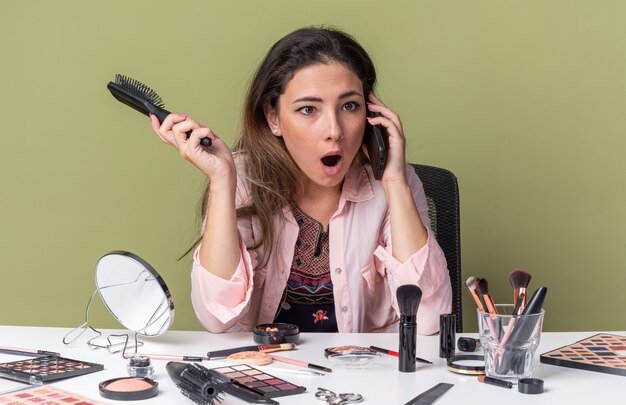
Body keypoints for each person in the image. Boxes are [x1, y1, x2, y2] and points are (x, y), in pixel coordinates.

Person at [149, 26, 452, 334]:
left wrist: (396, 185)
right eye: (308, 109)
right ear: (274, 118)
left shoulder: (394, 182)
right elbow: (217, 317)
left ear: (370, 112)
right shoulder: (243, 178)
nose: (334, 130)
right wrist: (222, 180)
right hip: (268, 372)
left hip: (366, 374)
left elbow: (429, 320)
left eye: (349, 106)